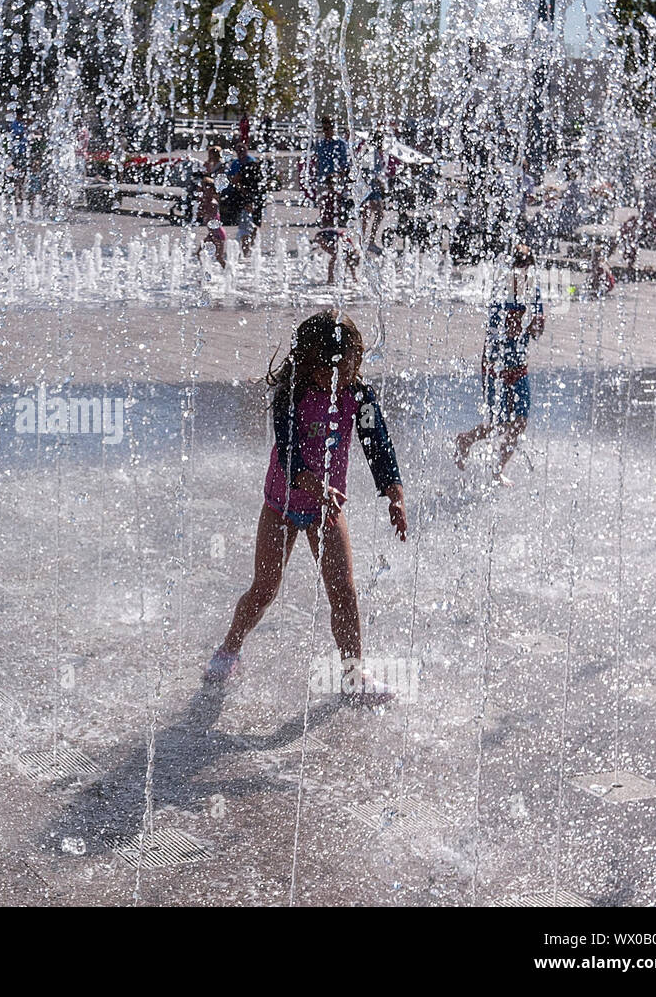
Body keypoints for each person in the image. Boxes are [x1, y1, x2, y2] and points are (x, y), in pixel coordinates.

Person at [204, 311, 407, 701]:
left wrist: (394, 492)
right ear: (314, 363)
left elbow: (377, 443)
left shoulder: (357, 396)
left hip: (325, 510)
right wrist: (316, 485)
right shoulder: (291, 394)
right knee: (264, 590)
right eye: (339, 370)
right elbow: (290, 452)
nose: (347, 377)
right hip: (281, 505)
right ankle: (230, 648)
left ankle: (353, 675)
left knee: (344, 593)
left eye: (353, 367)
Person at [454, 246, 545, 485]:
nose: (523, 277)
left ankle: (498, 470)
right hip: (496, 368)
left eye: (527, 271)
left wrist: (537, 326)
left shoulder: (533, 292)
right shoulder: (500, 293)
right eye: (519, 271)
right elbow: (495, 333)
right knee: (499, 424)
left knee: (520, 423)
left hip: (520, 367)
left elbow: (537, 332)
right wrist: (514, 326)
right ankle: (465, 440)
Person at [227, 141, 267, 256]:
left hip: (250, 197)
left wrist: (242, 189)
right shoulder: (236, 163)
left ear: (246, 150)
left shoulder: (251, 162)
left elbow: (237, 179)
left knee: (251, 224)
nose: (240, 153)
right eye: (238, 151)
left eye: (242, 150)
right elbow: (232, 178)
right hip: (247, 197)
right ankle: (248, 249)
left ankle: (248, 248)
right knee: (249, 223)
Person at [192, 173, 227, 268]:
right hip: (211, 234)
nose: (204, 192)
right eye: (203, 190)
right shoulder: (206, 201)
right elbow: (200, 213)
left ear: (212, 190)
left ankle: (230, 274)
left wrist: (201, 203)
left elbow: (203, 213)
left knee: (219, 258)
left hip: (217, 234)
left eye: (206, 190)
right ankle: (204, 272)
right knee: (199, 253)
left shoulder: (212, 203)